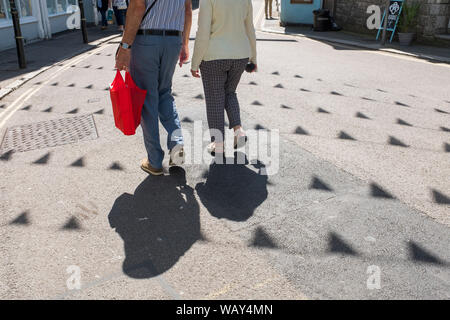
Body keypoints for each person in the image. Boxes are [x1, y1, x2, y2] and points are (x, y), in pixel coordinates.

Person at [115, 0, 192, 176]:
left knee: (147, 99)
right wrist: (185, 43)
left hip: (146, 40)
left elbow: (137, 7)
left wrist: (125, 46)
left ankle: (154, 161)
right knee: (164, 93)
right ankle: (177, 149)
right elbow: (187, 10)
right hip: (173, 40)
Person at [191, 0, 257, 155]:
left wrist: (195, 63)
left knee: (214, 97)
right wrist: (253, 58)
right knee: (230, 92)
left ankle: (218, 143)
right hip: (240, 54)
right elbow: (250, 29)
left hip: (214, 55)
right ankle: (238, 131)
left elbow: (203, 31)